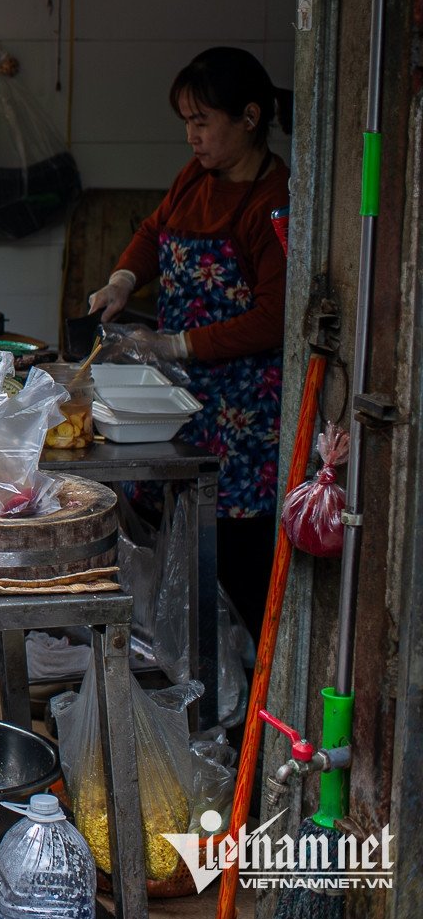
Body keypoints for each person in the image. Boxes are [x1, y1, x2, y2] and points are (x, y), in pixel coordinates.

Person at [86, 47, 292, 637]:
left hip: (242, 412)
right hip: (179, 400)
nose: (191, 137)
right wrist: (123, 279)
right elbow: (154, 232)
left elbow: (276, 317)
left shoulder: (272, 202)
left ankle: (243, 692)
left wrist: (177, 345)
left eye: (202, 122)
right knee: (161, 523)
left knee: (233, 548)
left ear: (249, 118)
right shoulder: (195, 179)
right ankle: (180, 661)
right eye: (186, 122)